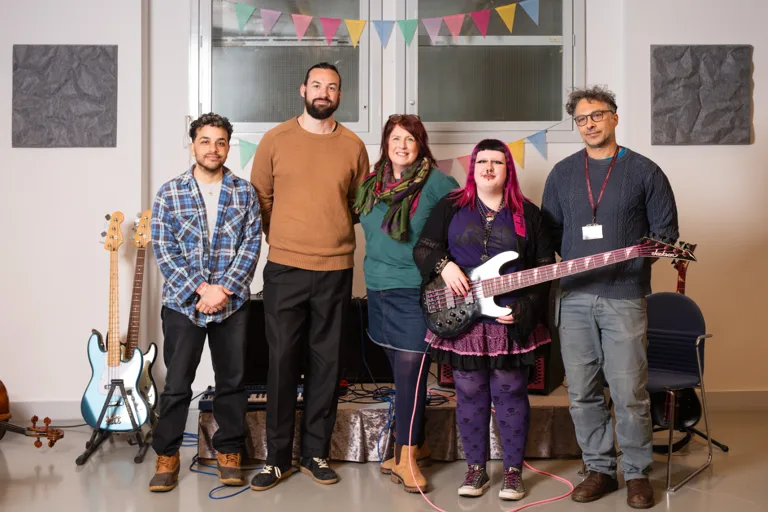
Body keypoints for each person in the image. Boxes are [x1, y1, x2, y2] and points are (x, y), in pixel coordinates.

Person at [541, 86, 679, 509]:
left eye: (597, 115)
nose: (590, 124)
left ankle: (636, 474)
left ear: (614, 117)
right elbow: (549, 235)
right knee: (582, 392)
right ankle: (599, 469)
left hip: (624, 297)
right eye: (581, 119)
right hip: (574, 298)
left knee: (629, 392)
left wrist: (628, 259)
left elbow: (665, 234)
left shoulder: (645, 172)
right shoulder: (562, 174)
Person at [249, 62, 370, 491]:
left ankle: (316, 453)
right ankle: (277, 458)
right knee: (282, 362)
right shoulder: (275, 139)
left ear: (340, 95)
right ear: (303, 89)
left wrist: (328, 230)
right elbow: (261, 198)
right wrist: (285, 236)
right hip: (285, 267)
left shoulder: (353, 146)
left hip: (335, 268)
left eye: (332, 87)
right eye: (317, 85)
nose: (324, 92)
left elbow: (359, 203)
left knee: (327, 363)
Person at [413, 139, 555, 501]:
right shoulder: (450, 206)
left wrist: (525, 308)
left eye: (497, 162)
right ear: (472, 168)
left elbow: (543, 268)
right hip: (462, 317)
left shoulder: (529, 214)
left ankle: (512, 473)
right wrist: (444, 267)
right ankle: (475, 469)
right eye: (482, 162)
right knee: (469, 393)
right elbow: (424, 247)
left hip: (508, 319)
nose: (488, 168)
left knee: (511, 393)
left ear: (509, 170)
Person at [148, 113, 262, 492]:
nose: (213, 149)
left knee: (232, 382)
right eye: (205, 141)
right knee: (177, 384)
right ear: (193, 144)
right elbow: (164, 249)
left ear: (228, 147)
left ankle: (229, 452)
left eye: (220, 142)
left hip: (232, 304)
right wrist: (200, 288)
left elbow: (251, 245)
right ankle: (167, 456)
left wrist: (223, 289)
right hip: (183, 304)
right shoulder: (170, 193)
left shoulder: (244, 192)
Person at [353, 114, 458, 493]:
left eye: (410, 139)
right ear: (386, 143)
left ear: (420, 144)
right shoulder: (370, 184)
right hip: (378, 289)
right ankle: (418, 443)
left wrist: (447, 267)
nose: (402, 145)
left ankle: (406, 458)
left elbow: (461, 232)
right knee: (402, 375)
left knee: (412, 375)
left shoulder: (438, 184)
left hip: (417, 291)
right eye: (395, 138)